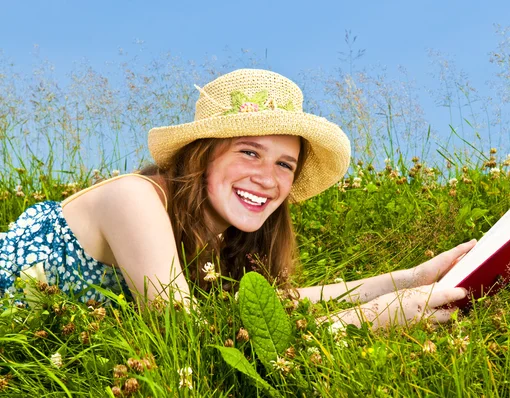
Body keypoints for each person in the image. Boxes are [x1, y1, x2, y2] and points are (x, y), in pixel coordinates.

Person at [0, 69, 475, 329]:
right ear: (201, 156)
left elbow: (276, 306)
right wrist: (364, 322)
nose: (267, 179)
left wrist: (410, 278)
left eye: (284, 164)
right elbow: (186, 336)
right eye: (250, 151)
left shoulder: (219, 239)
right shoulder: (133, 199)